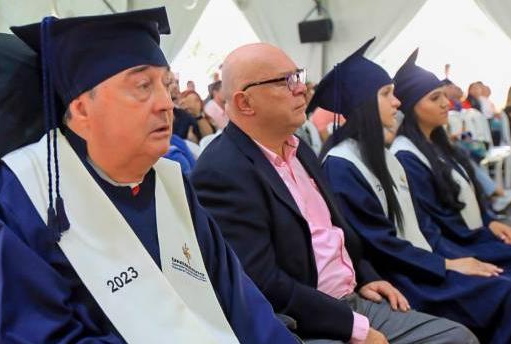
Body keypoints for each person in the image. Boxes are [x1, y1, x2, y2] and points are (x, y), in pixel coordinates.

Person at [0, 7, 300, 343]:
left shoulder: (171, 182)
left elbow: (241, 303)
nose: (166, 104)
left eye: (166, 85)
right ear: (82, 109)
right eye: (143, 85)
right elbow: (36, 334)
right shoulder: (26, 192)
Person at [191, 40, 474, 344]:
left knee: (457, 337)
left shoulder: (298, 149)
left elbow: (336, 231)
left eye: (298, 76)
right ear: (245, 102)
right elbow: (261, 283)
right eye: (285, 81)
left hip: (349, 299)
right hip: (298, 321)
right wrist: (354, 328)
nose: (302, 89)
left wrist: (365, 276)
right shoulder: (223, 170)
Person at [317, 48, 511, 343]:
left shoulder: (380, 155)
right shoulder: (342, 164)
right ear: (363, 103)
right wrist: (446, 265)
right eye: (386, 94)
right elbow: (377, 243)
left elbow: (419, 225)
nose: (397, 101)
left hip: (421, 262)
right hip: (402, 278)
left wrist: (454, 258)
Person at [391, 51, 511, 342]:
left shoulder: (437, 143)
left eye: (444, 95)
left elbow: (465, 199)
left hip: (475, 234)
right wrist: (469, 251)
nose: (446, 103)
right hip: (460, 244)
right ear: (412, 107)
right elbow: (434, 225)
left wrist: (491, 221)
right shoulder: (406, 155)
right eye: (435, 98)